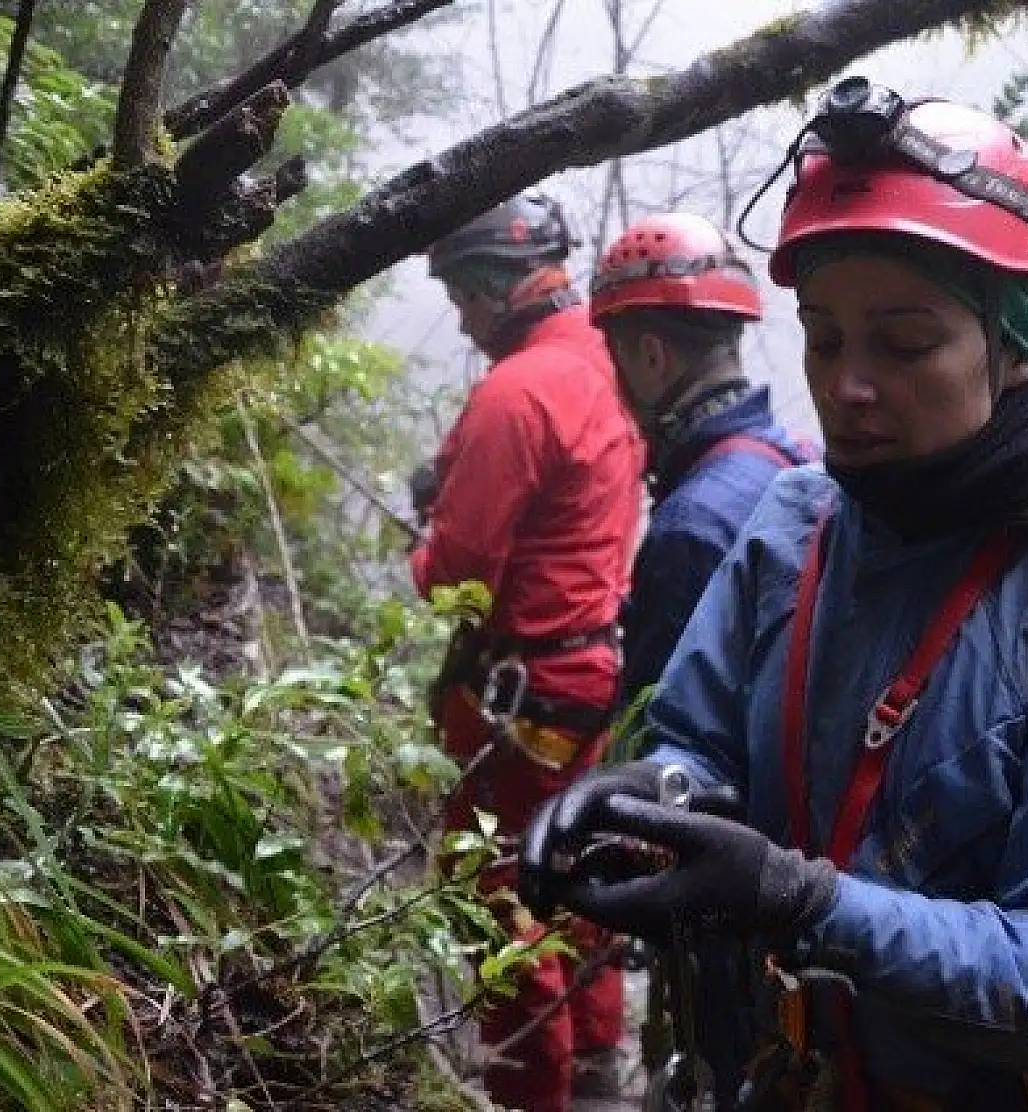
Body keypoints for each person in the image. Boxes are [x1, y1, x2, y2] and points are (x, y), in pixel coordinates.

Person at [519, 78, 1028, 1110]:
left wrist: (803, 902)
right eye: (824, 336)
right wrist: (647, 799)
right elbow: (698, 742)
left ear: (1012, 342)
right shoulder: (795, 525)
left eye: (903, 342)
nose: (847, 384)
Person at [416, 189, 644, 1111]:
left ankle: (532, 1095)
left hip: (521, 681)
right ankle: (592, 1069)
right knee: (573, 865)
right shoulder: (604, 357)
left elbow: (456, 576)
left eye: (466, 298)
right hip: (588, 673)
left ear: (496, 284)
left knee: (493, 881)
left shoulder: (516, 391)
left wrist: (420, 541)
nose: (465, 322)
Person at [589, 211, 815, 713]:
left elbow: (654, 731)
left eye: (616, 359)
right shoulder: (797, 462)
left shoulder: (691, 527)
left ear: (651, 357)